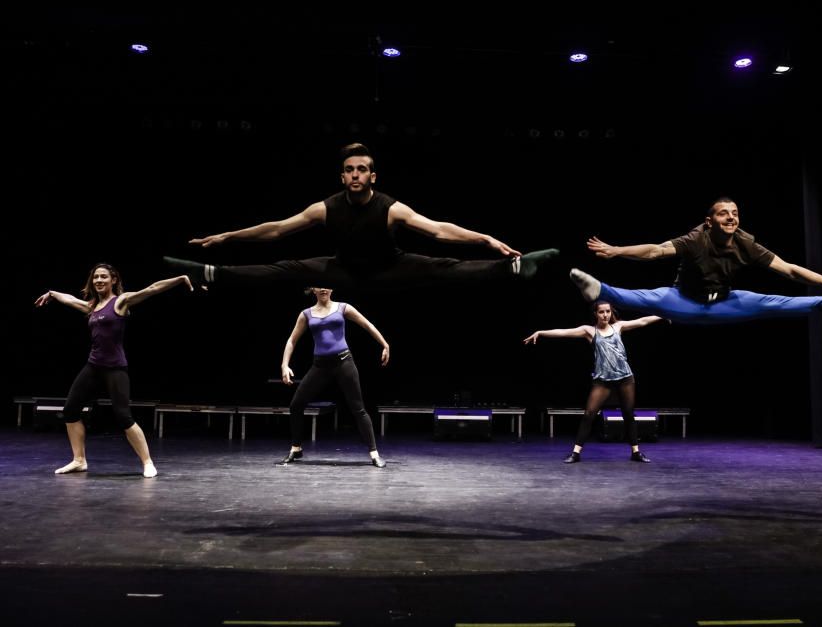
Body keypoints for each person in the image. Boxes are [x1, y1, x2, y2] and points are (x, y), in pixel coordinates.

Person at [165, 142, 559, 293]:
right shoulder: (326, 207)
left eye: (362, 169)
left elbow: (438, 230)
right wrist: (228, 237)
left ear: (373, 176)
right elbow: (278, 229)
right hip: (342, 270)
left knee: (448, 267)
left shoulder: (391, 208)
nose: (355, 174)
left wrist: (485, 239)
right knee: (283, 268)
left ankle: (514, 269)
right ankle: (211, 272)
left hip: (392, 267)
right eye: (349, 169)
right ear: (342, 176)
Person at [570, 197, 822, 323]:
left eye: (735, 213)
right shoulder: (697, 238)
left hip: (725, 303)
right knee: (644, 297)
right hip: (684, 302)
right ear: (710, 221)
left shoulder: (744, 241)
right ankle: (599, 290)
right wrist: (616, 250)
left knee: (779, 302)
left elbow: (788, 269)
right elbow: (655, 250)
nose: (731, 218)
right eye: (724, 214)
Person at [34, 264, 193, 477]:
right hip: (93, 366)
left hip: (115, 368)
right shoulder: (92, 306)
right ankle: (79, 460)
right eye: (96, 277)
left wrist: (180, 278)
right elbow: (71, 300)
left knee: (123, 416)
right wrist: (53, 293)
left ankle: (147, 462)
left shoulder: (121, 301)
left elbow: (152, 289)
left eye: (103, 277)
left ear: (113, 280)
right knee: (70, 411)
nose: (99, 280)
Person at [524, 301, 663, 463]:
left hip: (625, 378)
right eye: (601, 312)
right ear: (595, 314)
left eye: (608, 312)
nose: (605, 315)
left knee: (628, 414)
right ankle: (576, 453)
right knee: (589, 414)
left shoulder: (618, 327)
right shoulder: (589, 331)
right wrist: (540, 332)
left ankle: (635, 452)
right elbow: (563, 332)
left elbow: (642, 321)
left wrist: (663, 315)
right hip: (603, 380)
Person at [277, 287, 390, 468]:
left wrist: (384, 344)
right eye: (319, 286)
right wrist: (284, 365)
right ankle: (296, 448)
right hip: (320, 365)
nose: (323, 289)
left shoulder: (343, 308)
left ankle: (374, 454)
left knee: (358, 409)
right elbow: (292, 340)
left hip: (344, 362)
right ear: (313, 290)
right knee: (296, 405)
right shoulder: (306, 314)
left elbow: (367, 325)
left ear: (331, 289)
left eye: (326, 286)